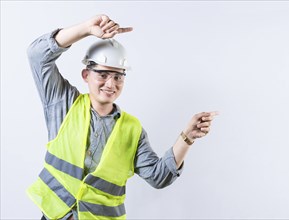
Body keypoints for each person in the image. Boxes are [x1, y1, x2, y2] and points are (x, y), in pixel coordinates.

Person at [26, 14, 218, 220]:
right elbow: (37, 55)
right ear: (85, 75)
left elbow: (158, 177)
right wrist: (86, 29)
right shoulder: (63, 103)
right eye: (103, 74)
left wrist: (187, 138)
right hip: (55, 215)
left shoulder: (132, 129)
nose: (111, 84)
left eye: (118, 76)